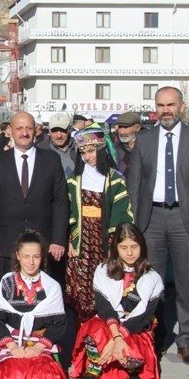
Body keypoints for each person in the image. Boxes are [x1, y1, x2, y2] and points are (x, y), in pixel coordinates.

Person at [126, 87, 189, 365]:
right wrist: (136, 226)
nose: (165, 110)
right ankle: (157, 336)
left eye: (171, 105)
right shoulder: (145, 139)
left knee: (187, 283)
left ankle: (186, 340)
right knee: (152, 283)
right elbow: (135, 184)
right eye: (161, 105)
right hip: (152, 218)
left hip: (185, 219)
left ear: (182, 106)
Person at [70, 222, 162, 379]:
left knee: (133, 355)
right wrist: (115, 336)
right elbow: (104, 307)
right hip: (109, 324)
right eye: (124, 247)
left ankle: (131, 368)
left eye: (134, 247)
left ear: (142, 246)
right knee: (93, 333)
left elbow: (143, 316)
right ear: (116, 248)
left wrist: (118, 339)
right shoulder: (103, 271)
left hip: (134, 327)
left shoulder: (153, 278)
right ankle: (95, 365)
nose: (129, 252)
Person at [0, 230, 71, 379]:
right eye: (26, 256)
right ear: (18, 256)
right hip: (14, 340)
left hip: (40, 340)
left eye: (36, 256)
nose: (31, 262)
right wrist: (13, 347)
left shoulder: (51, 286)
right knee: (9, 377)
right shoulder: (7, 282)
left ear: (42, 257)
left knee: (45, 378)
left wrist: (39, 347)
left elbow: (60, 323)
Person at [0, 111, 68, 272]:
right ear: (11, 130)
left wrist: (58, 239)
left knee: (42, 294)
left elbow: (60, 202)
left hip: (43, 245)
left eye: (29, 128)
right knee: (10, 293)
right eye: (19, 128)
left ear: (35, 130)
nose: (24, 133)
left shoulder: (51, 160)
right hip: (7, 244)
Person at [65, 125, 134, 325]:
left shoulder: (115, 180)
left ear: (102, 149)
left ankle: (106, 327)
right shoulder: (74, 179)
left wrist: (115, 242)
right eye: (83, 152)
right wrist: (70, 237)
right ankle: (83, 328)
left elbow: (121, 212)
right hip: (81, 239)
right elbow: (68, 211)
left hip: (106, 239)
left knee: (106, 283)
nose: (87, 156)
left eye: (91, 150)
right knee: (82, 288)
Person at [45, 112, 76, 176]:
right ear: (49, 131)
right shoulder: (40, 150)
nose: (59, 136)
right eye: (55, 130)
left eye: (63, 130)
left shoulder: (79, 148)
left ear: (69, 129)